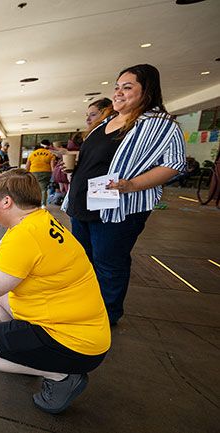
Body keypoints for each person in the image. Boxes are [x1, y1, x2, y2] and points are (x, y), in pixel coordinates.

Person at [0, 169, 110, 414]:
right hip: (82, 330)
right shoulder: (37, 220)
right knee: (2, 294)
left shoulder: (25, 236)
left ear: (7, 202)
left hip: (74, 345)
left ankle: (59, 374)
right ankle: (28, 354)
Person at [63, 64, 186, 325]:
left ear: (147, 91)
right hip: (84, 202)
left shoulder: (160, 125)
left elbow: (174, 164)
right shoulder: (104, 123)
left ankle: (107, 314)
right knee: (84, 261)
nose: (118, 92)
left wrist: (131, 184)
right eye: (117, 87)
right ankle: (86, 307)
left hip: (119, 206)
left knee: (108, 261)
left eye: (127, 87)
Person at [26, 139, 55, 207]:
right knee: (43, 189)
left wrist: (26, 174)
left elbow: (27, 166)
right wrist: (53, 175)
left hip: (33, 172)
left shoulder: (32, 154)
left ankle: (32, 204)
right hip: (46, 172)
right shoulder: (50, 154)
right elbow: (52, 167)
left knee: (33, 188)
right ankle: (43, 205)